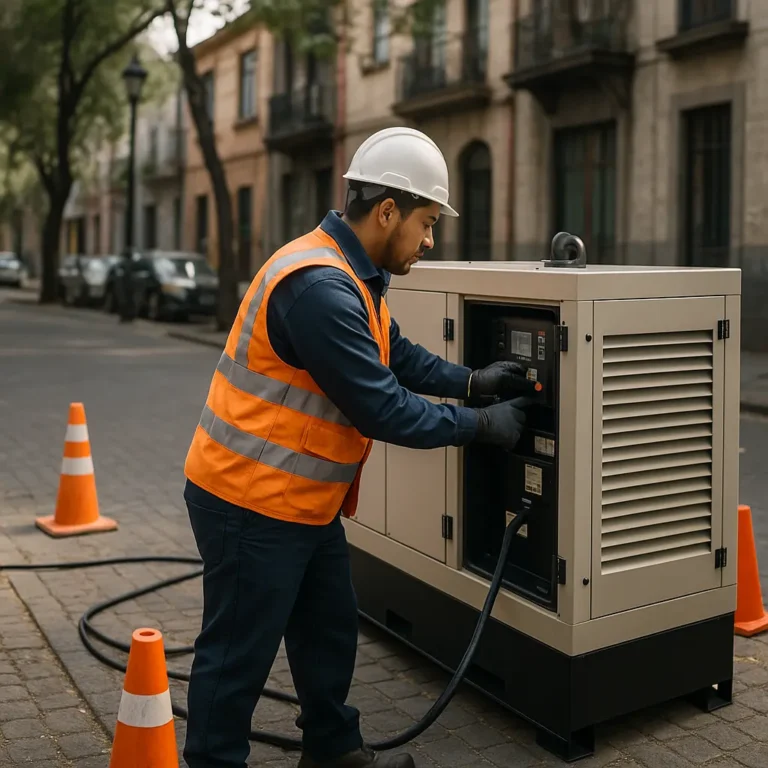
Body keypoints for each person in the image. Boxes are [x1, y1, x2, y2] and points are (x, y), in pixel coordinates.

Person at [181, 126, 534, 768]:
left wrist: (473, 382)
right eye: (426, 223)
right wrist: (482, 427)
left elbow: (394, 354)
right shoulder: (319, 288)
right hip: (248, 500)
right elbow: (381, 406)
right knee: (237, 656)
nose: (430, 241)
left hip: (298, 501)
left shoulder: (350, 274)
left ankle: (333, 750)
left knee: (328, 628)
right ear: (388, 211)